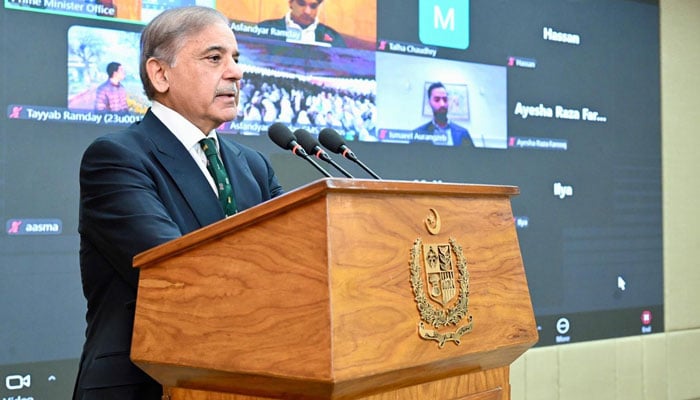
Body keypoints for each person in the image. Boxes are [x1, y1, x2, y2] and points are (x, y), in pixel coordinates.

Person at [73, 6, 284, 400]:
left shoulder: (253, 165)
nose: (236, 72)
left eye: (236, 59)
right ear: (160, 74)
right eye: (215, 58)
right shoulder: (117, 158)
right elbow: (176, 274)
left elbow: (295, 265)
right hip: (147, 388)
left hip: (248, 381)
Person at [258, 0, 346, 47]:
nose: (307, 11)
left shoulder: (333, 37)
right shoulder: (265, 29)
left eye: (313, 6)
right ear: (290, 3)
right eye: (301, 3)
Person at [414, 82, 473, 147]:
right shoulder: (418, 133)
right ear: (429, 103)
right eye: (437, 100)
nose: (442, 104)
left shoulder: (463, 133)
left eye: (445, 99)